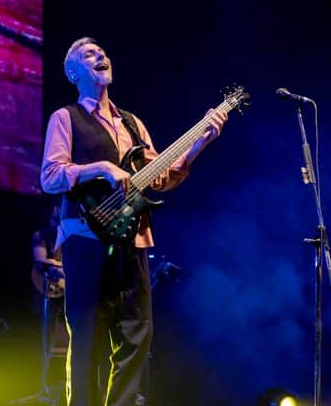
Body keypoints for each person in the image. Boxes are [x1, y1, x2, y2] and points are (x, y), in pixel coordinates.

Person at [40, 37, 229, 406]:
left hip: (135, 243)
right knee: (88, 344)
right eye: (89, 55)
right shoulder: (66, 118)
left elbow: (160, 176)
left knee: (137, 339)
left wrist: (199, 144)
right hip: (86, 243)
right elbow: (50, 176)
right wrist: (101, 168)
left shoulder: (133, 124)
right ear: (72, 73)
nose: (101, 56)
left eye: (103, 52)